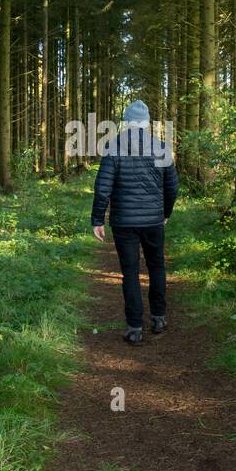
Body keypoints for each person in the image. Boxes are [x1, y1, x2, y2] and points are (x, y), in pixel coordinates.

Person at [90, 100, 179, 344]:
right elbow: (172, 187)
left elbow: (102, 189)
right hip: (153, 221)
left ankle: (134, 327)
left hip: (124, 222)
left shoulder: (113, 147)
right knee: (156, 266)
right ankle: (159, 317)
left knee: (130, 272)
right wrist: (165, 213)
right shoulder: (161, 148)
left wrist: (98, 219)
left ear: (126, 122)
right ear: (147, 122)